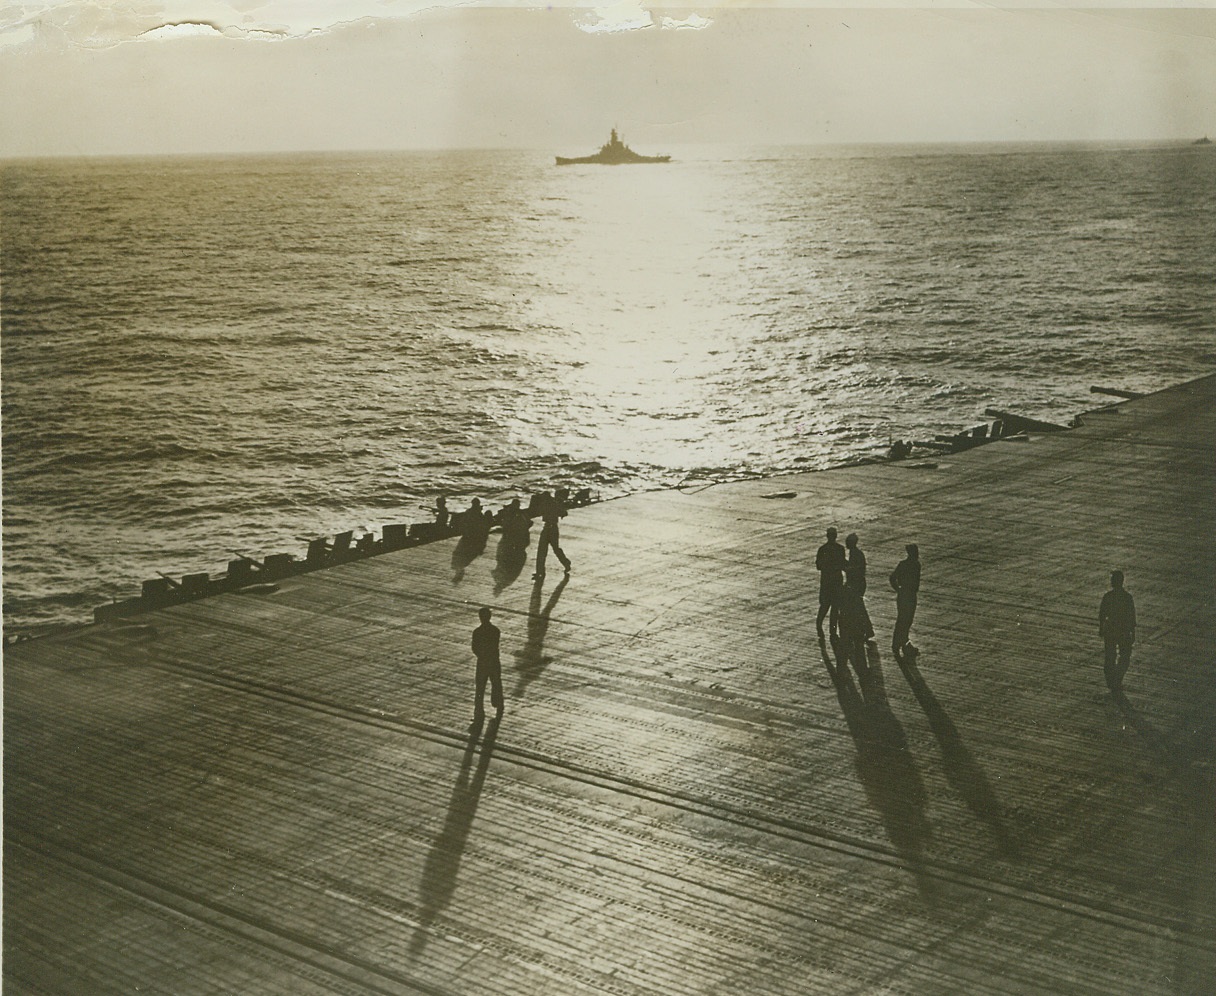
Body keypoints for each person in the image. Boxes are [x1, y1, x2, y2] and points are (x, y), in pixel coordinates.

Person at [1099, 570, 1136, 695]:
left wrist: (1101, 627)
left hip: (1110, 629)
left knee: (1110, 656)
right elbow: (1132, 616)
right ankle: (1117, 678)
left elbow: (1102, 614)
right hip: (1123, 630)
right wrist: (1132, 631)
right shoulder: (1127, 598)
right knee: (1125, 656)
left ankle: (1111, 680)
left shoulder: (1108, 597)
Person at [471, 607, 504, 722]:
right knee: (496, 684)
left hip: (482, 663)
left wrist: (481, 655)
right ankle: (499, 705)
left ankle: (479, 711)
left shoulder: (477, 632)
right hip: (494, 662)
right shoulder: (495, 630)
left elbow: (474, 648)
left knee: (480, 688)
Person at [889, 543, 921, 659]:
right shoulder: (915, 565)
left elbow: (892, 578)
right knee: (905, 620)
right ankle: (901, 645)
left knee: (903, 620)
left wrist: (898, 589)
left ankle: (900, 644)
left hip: (904, 595)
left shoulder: (904, 564)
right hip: (910, 595)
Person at [815, 527, 847, 638]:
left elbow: (818, 566)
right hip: (837, 581)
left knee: (824, 605)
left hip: (825, 581)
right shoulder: (840, 549)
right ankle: (832, 631)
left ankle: (819, 625)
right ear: (836, 536)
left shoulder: (822, 549)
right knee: (835, 607)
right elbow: (843, 565)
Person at [533, 491, 571, 580]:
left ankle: (566, 563)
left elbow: (563, 512)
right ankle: (540, 572)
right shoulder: (551, 503)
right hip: (547, 528)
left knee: (553, 549)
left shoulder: (552, 504)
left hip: (552, 529)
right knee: (542, 550)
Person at [844, 532, 875, 642]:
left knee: (857, 607)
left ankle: (866, 629)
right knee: (858, 606)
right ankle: (866, 629)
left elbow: (854, 570)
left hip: (856, 583)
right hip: (859, 583)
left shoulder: (855, 554)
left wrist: (845, 567)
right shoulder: (856, 553)